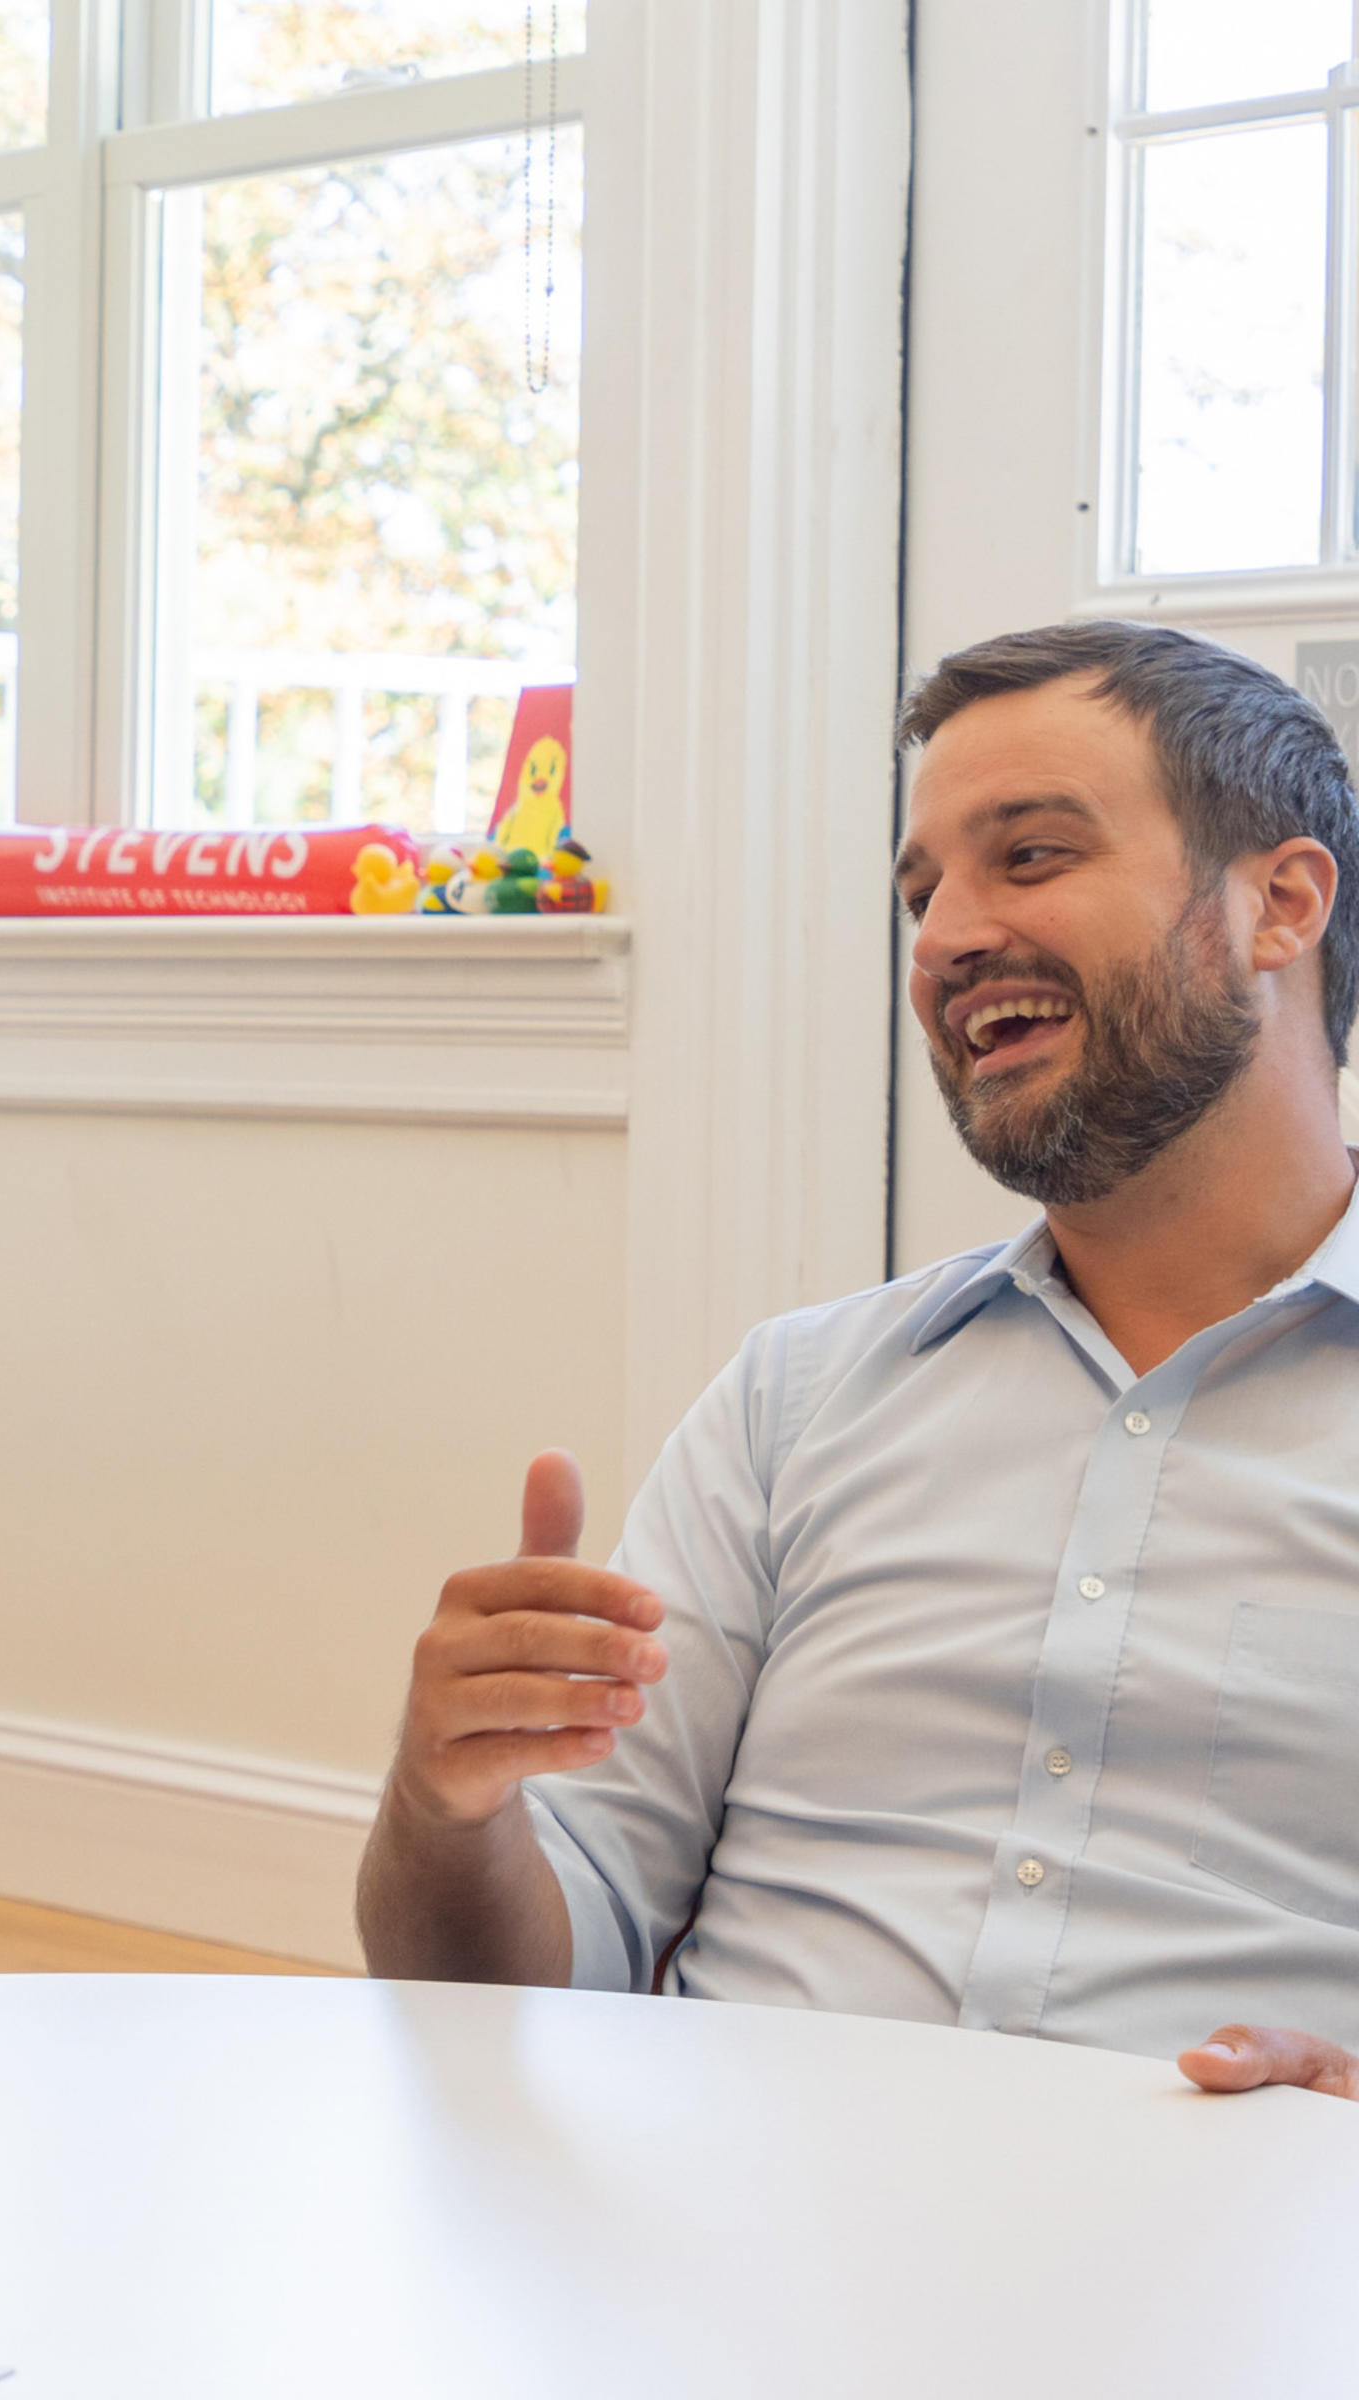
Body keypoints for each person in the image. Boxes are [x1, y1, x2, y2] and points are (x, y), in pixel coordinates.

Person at [359, 621, 1359, 2107]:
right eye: (920, 890)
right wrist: (449, 1804)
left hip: (1246, 2286)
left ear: (1280, 905)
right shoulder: (798, 1400)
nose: (945, 935)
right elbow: (503, 1987)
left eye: (1027, 857)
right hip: (733, 2252)